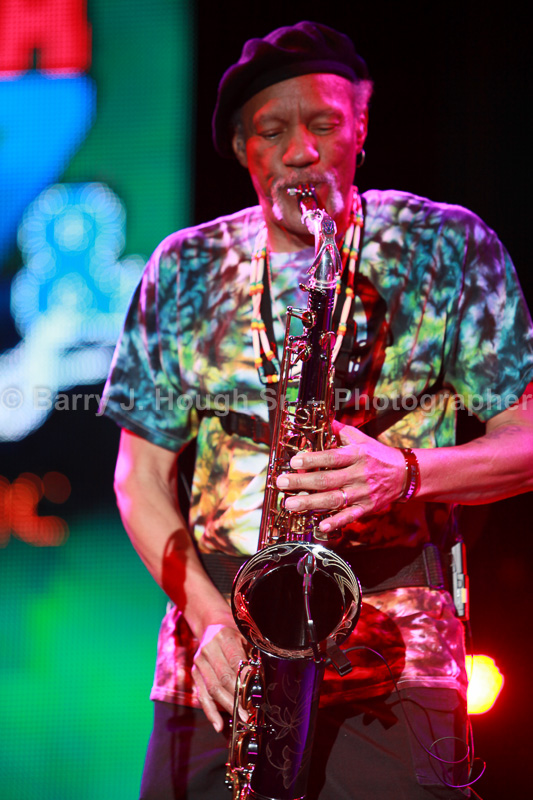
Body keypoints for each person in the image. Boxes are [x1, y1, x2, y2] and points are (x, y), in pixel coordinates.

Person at [102, 21, 533, 800]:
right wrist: (209, 617)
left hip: (395, 638)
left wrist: (403, 473)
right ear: (242, 148)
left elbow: (525, 443)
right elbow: (139, 478)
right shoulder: (184, 267)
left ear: (361, 127)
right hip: (223, 638)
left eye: (325, 124)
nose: (301, 151)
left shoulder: (446, 245)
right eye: (273, 131)